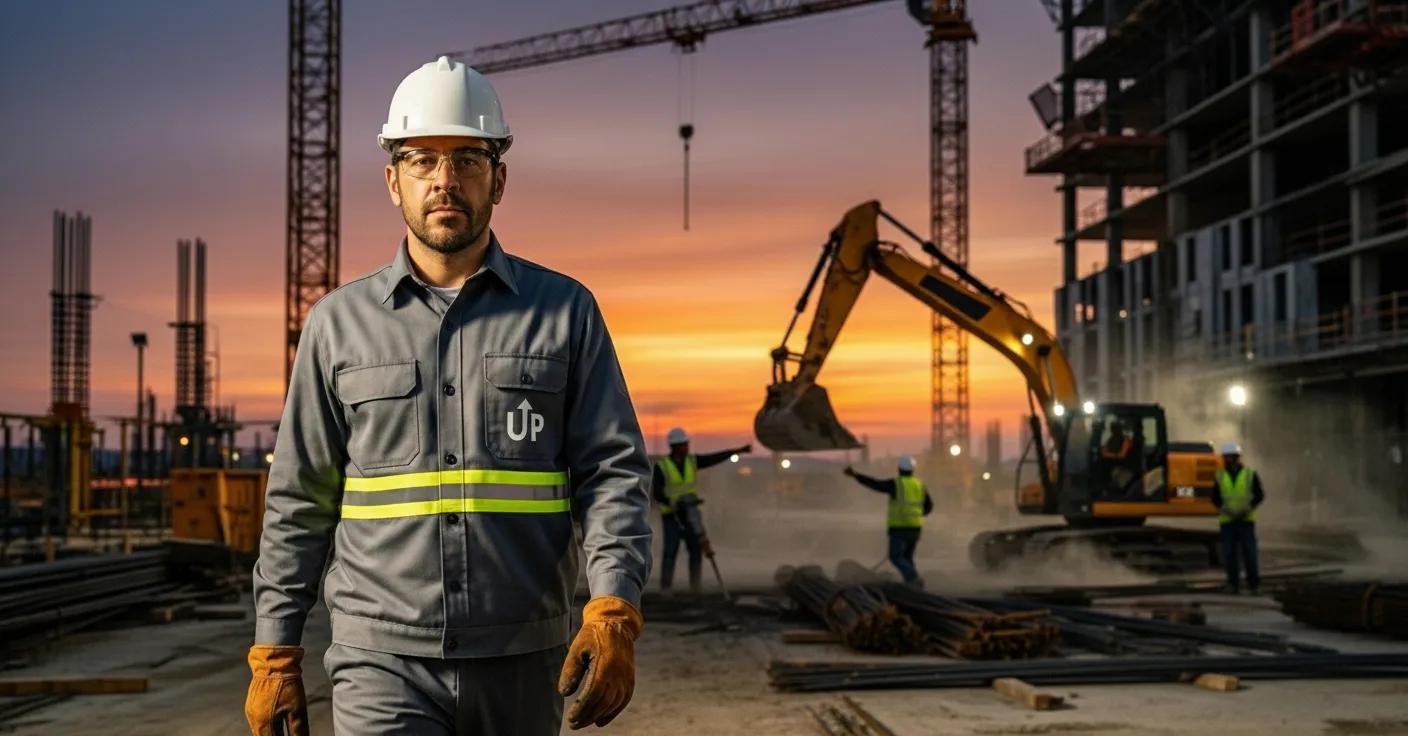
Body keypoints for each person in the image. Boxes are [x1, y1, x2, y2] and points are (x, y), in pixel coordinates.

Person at [245, 56, 653, 735]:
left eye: (467, 159)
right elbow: (299, 497)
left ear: (499, 178)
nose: (444, 180)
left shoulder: (565, 312)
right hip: (381, 659)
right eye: (421, 160)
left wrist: (613, 607)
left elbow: (611, 472)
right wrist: (275, 650)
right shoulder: (337, 326)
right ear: (392, 180)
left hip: (524, 655)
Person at [652, 427, 751, 593]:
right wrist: (671, 502)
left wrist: (738, 451)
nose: (687, 447)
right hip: (672, 516)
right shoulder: (662, 467)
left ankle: (695, 587)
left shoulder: (692, 461)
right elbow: (657, 493)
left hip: (690, 513)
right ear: (675, 446)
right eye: (684, 444)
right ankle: (666, 588)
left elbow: (714, 458)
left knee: (696, 551)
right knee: (670, 551)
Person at [843, 455, 933, 587]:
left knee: (896, 557)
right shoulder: (920, 485)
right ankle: (911, 585)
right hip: (915, 528)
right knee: (907, 558)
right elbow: (929, 507)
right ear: (913, 469)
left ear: (899, 469)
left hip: (899, 528)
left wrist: (856, 476)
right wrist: (916, 515)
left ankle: (914, 579)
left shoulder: (896, 484)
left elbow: (875, 484)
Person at [1212, 442, 1265, 594]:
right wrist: (1225, 510)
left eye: (1232, 457)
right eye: (1227, 458)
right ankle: (1233, 584)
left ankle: (1254, 585)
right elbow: (1215, 498)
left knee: (1250, 554)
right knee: (1229, 555)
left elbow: (1259, 495)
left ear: (1237, 458)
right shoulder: (1220, 476)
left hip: (1245, 520)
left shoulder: (1250, 474)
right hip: (1227, 521)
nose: (1229, 460)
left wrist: (1247, 509)